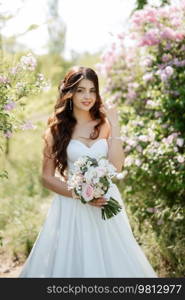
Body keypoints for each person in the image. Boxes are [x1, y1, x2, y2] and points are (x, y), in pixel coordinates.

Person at [19, 66, 157, 278]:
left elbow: (117, 167)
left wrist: (115, 123)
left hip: (106, 201)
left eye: (92, 90)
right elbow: (46, 177)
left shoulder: (104, 124)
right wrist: (81, 194)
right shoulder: (56, 130)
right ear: (69, 92)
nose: (87, 96)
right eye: (81, 90)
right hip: (72, 205)